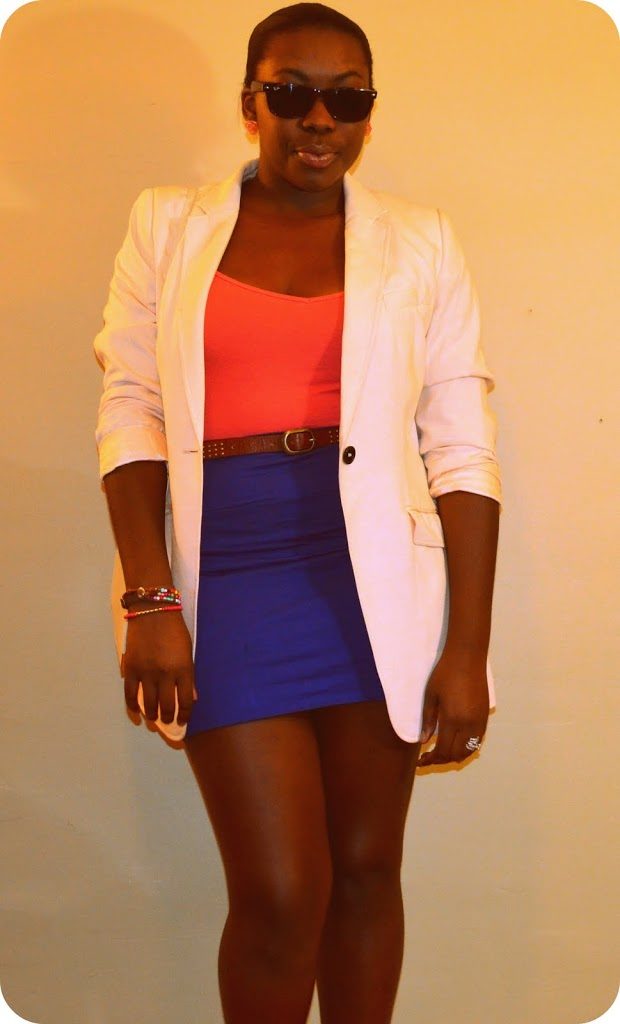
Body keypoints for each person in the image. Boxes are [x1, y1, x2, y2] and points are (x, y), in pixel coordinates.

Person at [93, 3, 502, 1021]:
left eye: (346, 99)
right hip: (224, 577)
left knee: (364, 873)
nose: (319, 119)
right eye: (291, 93)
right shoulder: (167, 225)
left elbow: (461, 449)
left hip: (372, 582)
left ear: (367, 110)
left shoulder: (420, 242)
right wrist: (150, 599)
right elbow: (131, 409)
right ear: (251, 104)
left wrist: (467, 651)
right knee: (281, 895)